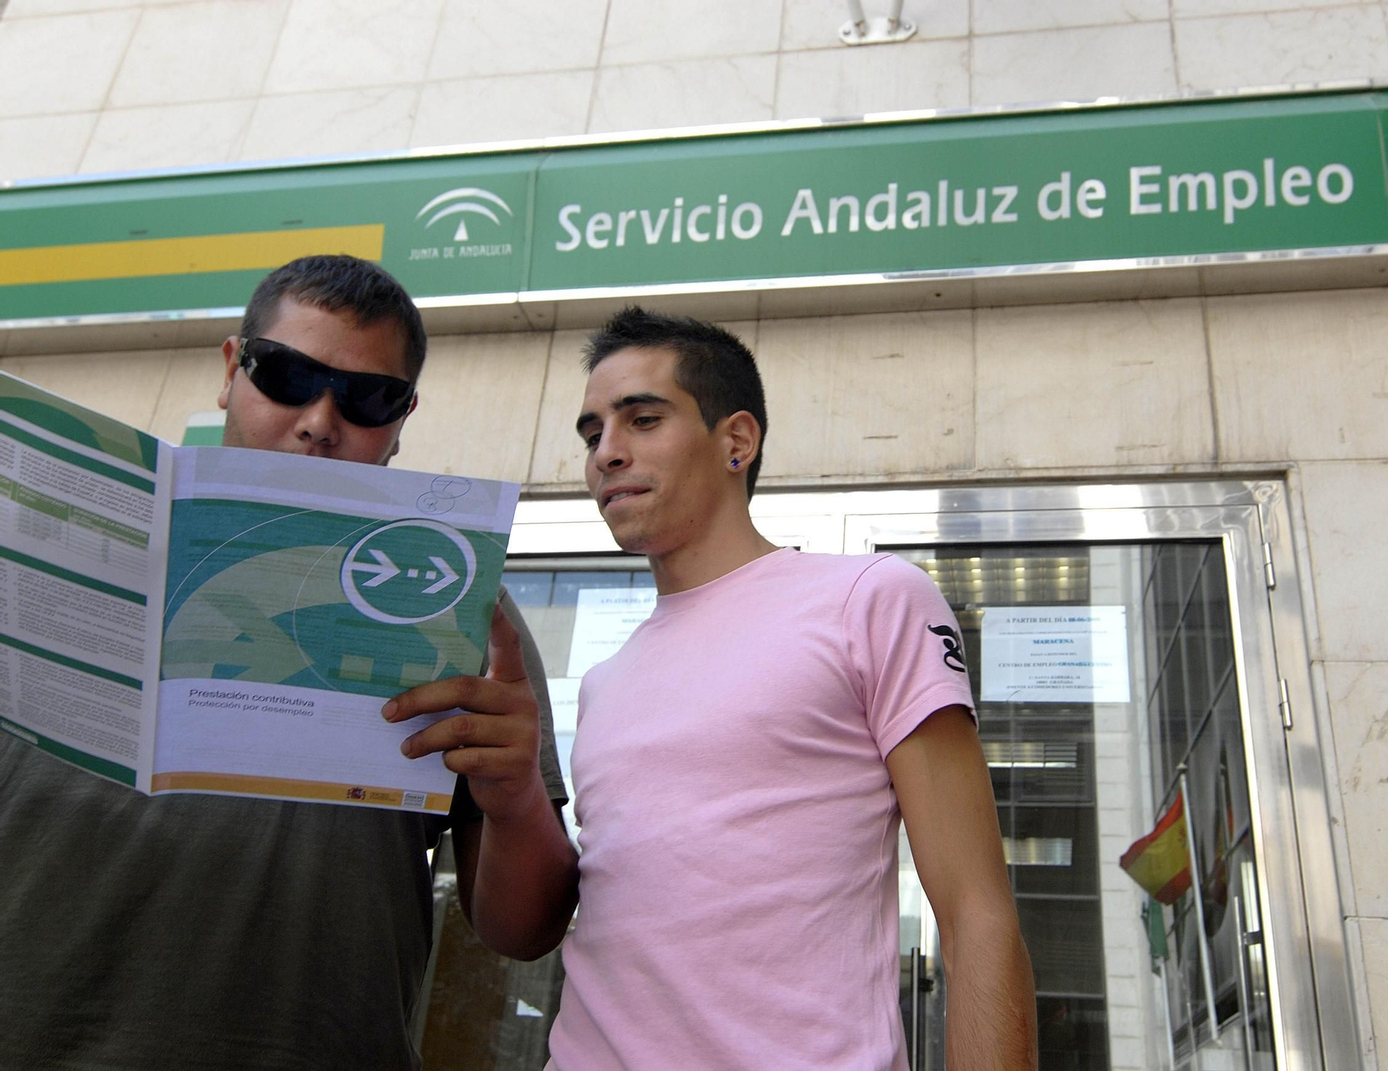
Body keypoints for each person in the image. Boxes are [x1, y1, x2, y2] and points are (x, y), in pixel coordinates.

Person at [0, 255, 578, 1070]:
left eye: (366, 396)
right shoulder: (42, 537)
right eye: (288, 374)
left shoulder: (460, 604)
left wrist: (517, 796)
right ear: (233, 368)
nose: (318, 419)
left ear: (403, 416)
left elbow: (524, 932)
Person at [550, 306, 1037, 1070]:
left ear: (736, 441)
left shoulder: (870, 598)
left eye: (642, 419)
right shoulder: (603, 683)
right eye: (591, 433)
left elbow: (975, 912)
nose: (606, 453)